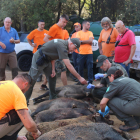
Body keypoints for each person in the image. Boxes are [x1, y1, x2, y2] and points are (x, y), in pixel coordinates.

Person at [24, 38, 87, 102]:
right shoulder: (62, 46)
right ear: (71, 43)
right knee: (31, 80)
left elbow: (53, 55)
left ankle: (53, 98)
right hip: (39, 58)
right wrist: (80, 78)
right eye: (74, 48)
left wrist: (53, 69)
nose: (73, 50)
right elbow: (69, 65)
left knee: (52, 78)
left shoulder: (63, 45)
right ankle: (24, 101)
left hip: (48, 59)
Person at [0, 74, 41, 140]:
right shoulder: (17, 91)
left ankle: (13, 137)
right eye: (26, 89)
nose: (24, 92)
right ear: (25, 84)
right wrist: (35, 131)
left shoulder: (3, 83)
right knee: (26, 112)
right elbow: (29, 125)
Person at [100, 67, 140, 131]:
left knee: (110, 101)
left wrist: (102, 112)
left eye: (108, 77)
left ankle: (131, 123)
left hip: (137, 105)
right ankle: (138, 121)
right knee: (133, 98)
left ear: (112, 76)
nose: (108, 79)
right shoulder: (128, 79)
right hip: (137, 104)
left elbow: (103, 103)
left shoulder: (115, 83)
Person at [44, 14, 69, 86]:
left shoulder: (61, 29)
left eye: (66, 22)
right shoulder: (54, 28)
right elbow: (45, 39)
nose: (65, 24)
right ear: (60, 20)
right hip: (55, 53)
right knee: (63, 70)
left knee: (51, 70)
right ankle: (66, 87)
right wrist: (55, 47)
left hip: (57, 53)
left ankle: (43, 85)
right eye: (64, 22)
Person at [27, 20, 49, 90]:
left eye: (43, 24)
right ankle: (33, 81)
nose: (43, 26)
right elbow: (28, 38)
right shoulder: (34, 32)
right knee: (35, 67)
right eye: (41, 24)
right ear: (38, 24)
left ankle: (43, 83)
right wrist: (32, 44)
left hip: (45, 53)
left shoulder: (47, 32)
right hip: (36, 52)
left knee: (45, 66)